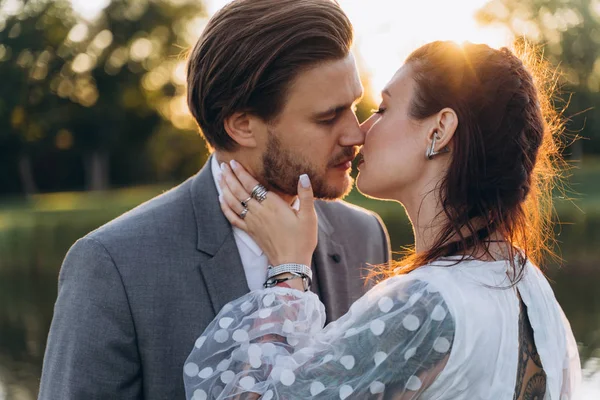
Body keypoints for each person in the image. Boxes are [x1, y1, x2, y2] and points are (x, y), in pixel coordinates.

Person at [183, 41, 582, 399]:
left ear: (440, 130)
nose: (360, 132)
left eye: (383, 108)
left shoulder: (427, 305)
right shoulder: (530, 288)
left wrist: (289, 270)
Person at [38, 1, 390, 398]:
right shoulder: (113, 265)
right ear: (242, 126)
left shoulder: (364, 234)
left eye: (355, 106)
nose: (355, 134)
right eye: (328, 118)